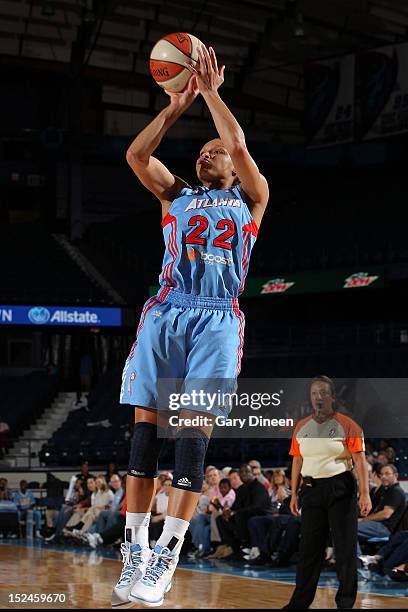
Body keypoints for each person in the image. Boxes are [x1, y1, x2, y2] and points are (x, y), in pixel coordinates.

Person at [113, 41, 269, 608]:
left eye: (213, 152)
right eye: (200, 153)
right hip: (167, 309)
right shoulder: (177, 195)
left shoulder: (252, 197)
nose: (207, 156)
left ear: (231, 165)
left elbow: (237, 142)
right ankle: (134, 550)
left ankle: (166, 557)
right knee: (145, 433)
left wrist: (208, 92)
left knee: (191, 439)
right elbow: (136, 156)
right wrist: (174, 108)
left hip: (217, 319)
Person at [283, 375, 372, 610]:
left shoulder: (348, 425)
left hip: (340, 487)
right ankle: (299, 603)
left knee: (344, 549)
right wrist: (294, 494)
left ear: (333, 397)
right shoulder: (301, 427)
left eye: (323, 392)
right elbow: (297, 461)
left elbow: (360, 462)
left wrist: (365, 494)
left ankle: (345, 603)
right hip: (311, 490)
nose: (318, 397)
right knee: (309, 551)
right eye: (314, 393)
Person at [357, 463, 406, 549]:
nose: (383, 476)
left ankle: (355, 559)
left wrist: (363, 520)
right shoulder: (387, 490)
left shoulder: (396, 492)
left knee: (350, 528)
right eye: (382, 474)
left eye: (387, 474)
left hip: (384, 528)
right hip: (378, 525)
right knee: (347, 528)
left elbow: (385, 514)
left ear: (396, 475)